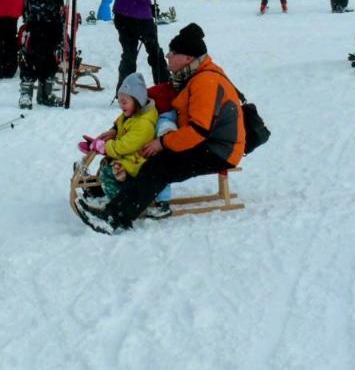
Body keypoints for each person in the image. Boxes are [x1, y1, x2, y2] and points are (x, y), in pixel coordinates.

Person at [74, 23, 245, 234]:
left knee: (159, 165)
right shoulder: (187, 76)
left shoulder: (205, 81)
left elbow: (199, 130)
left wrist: (162, 143)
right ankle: (109, 191)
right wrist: (116, 129)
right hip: (200, 140)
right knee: (147, 151)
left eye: (173, 53)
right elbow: (148, 99)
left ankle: (114, 217)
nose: (168, 56)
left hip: (219, 149)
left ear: (188, 58)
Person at [76, 73, 159, 201]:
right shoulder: (131, 114)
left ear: (137, 100)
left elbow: (125, 146)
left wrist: (104, 147)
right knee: (105, 164)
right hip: (129, 157)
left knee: (110, 172)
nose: (121, 106)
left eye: (124, 102)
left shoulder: (144, 124)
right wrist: (113, 132)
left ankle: (121, 203)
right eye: (119, 102)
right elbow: (120, 124)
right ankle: (103, 190)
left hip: (136, 162)